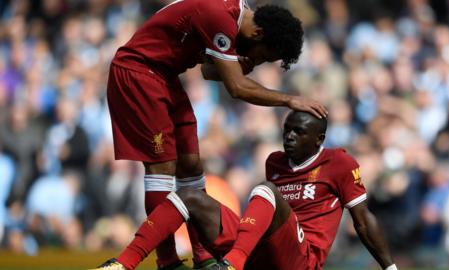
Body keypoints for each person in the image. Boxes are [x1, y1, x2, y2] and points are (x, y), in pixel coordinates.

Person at [106, 0, 326, 269]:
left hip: (166, 76)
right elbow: (237, 88)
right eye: (262, 57)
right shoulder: (220, 16)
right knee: (162, 168)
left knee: (191, 166)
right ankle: (167, 261)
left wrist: (237, 65)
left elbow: (208, 70)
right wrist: (290, 100)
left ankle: (203, 256)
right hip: (139, 71)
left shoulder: (238, 19)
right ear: (257, 35)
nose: (256, 63)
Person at [90, 110, 396, 270]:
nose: (289, 136)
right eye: (286, 129)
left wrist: (390, 267)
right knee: (191, 197)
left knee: (265, 191)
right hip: (261, 253)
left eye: (298, 132)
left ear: (318, 139)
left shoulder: (339, 162)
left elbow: (362, 220)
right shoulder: (274, 161)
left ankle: (231, 264)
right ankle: (124, 263)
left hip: (302, 261)